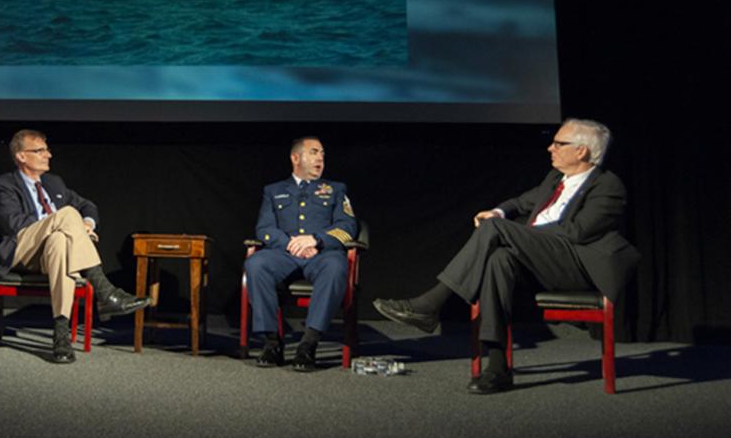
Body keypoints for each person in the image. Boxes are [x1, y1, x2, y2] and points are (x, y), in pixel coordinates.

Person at [374, 118, 641, 394]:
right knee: (498, 260)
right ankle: (498, 368)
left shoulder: (608, 186)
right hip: (539, 260)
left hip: (575, 265)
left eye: (559, 143)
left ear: (582, 151)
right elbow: (519, 202)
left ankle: (431, 303)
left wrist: (516, 233)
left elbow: (577, 232)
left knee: (497, 232)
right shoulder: (555, 179)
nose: (551, 148)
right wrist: (499, 212)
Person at [0, 129, 149, 363]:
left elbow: (88, 206)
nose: (48, 155)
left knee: (60, 242)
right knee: (65, 216)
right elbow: (13, 223)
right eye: (40, 150)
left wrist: (86, 223)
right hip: (23, 250)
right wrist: (60, 222)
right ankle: (106, 292)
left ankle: (61, 338)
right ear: (22, 156)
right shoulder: (4, 184)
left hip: (52, 253)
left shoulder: (54, 183)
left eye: (47, 149)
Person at [246, 137, 358, 372]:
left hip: (322, 254)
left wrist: (316, 240)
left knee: (337, 267)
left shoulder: (336, 190)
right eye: (314, 152)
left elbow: (348, 227)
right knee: (256, 264)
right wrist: (290, 244)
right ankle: (272, 343)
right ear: (295, 158)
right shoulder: (273, 191)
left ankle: (308, 344)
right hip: (284, 254)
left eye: (323, 154)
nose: (320, 158)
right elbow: (264, 228)